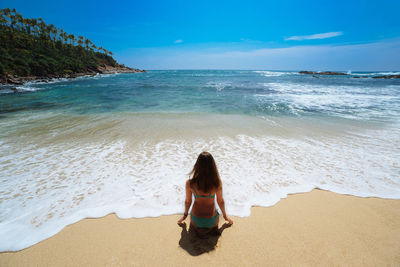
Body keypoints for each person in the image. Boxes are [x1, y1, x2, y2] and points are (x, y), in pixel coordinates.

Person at [177, 152, 233, 231]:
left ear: (197, 165)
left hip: (196, 220)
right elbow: (221, 201)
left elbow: (188, 202)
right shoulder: (217, 183)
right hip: (212, 221)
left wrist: (184, 216)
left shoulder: (190, 183)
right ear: (213, 166)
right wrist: (225, 217)